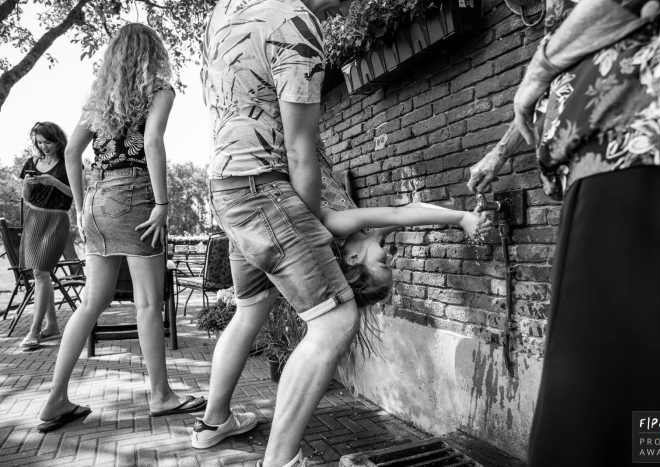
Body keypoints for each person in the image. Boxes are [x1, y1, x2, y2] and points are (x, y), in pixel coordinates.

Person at [467, 0, 660, 464]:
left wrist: (539, 68)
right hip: (628, 152)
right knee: (654, 405)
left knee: (607, 409)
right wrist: (501, 150)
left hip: (645, 148)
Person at [192, 0, 360, 465]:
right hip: (263, 186)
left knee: (251, 307)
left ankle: (213, 423)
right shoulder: (296, 21)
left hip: (224, 183)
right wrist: (313, 230)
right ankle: (281, 461)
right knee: (335, 320)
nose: (347, 7)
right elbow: (299, 148)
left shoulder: (225, 10)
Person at [37, 23, 206, 433]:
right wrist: (163, 203)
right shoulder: (159, 91)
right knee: (148, 302)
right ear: (154, 54)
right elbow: (152, 143)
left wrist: (80, 208)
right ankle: (161, 395)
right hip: (135, 198)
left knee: (90, 303)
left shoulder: (99, 100)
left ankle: (56, 398)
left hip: (97, 200)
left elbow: (73, 152)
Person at [317, 151, 492, 309]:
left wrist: (462, 218)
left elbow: (399, 213)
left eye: (382, 263)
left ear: (353, 258)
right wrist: (464, 218)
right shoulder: (368, 235)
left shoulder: (338, 228)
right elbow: (413, 208)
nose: (390, 257)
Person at [18, 122, 74, 349]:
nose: (43, 147)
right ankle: (51, 326)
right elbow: (26, 198)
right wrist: (27, 184)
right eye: (39, 143)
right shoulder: (32, 163)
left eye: (47, 142)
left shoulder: (70, 161)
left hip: (57, 220)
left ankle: (34, 331)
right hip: (34, 220)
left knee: (41, 272)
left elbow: (78, 195)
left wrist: (54, 182)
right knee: (41, 273)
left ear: (58, 140)